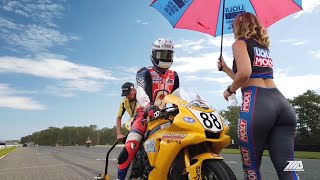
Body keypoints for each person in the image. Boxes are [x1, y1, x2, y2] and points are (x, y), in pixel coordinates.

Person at [217, 12, 299, 180]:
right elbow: (248, 77)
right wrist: (226, 68)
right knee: (289, 167)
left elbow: (245, 74)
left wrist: (229, 90)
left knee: (251, 170)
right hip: (282, 104)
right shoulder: (263, 47)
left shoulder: (239, 43)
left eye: (233, 25)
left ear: (239, 26)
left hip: (258, 104)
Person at [117, 38, 180, 180]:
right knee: (131, 146)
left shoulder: (174, 75)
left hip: (168, 114)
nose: (165, 58)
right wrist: (148, 106)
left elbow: (178, 95)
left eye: (168, 54)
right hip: (146, 113)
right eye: (162, 54)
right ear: (154, 54)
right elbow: (140, 91)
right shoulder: (144, 72)